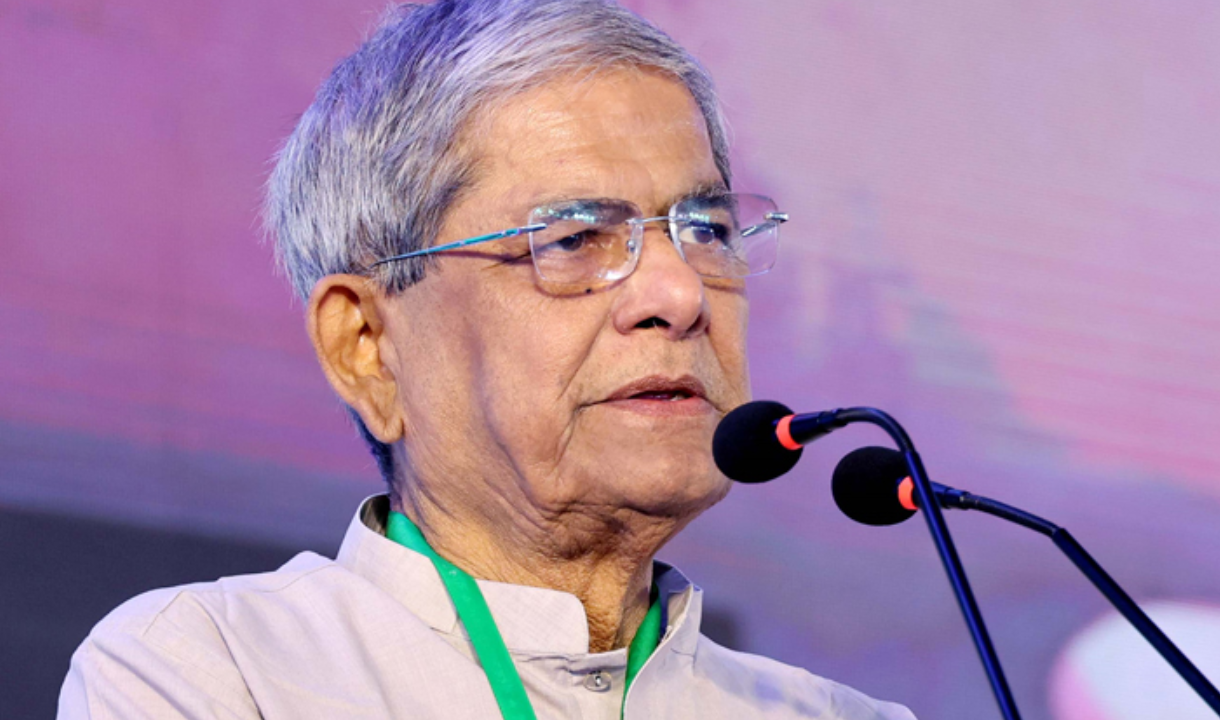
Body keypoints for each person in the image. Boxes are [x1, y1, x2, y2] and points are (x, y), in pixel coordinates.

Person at [58, 1, 915, 718]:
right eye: (574, 239)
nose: (680, 293)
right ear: (367, 349)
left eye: (708, 230)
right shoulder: (217, 671)